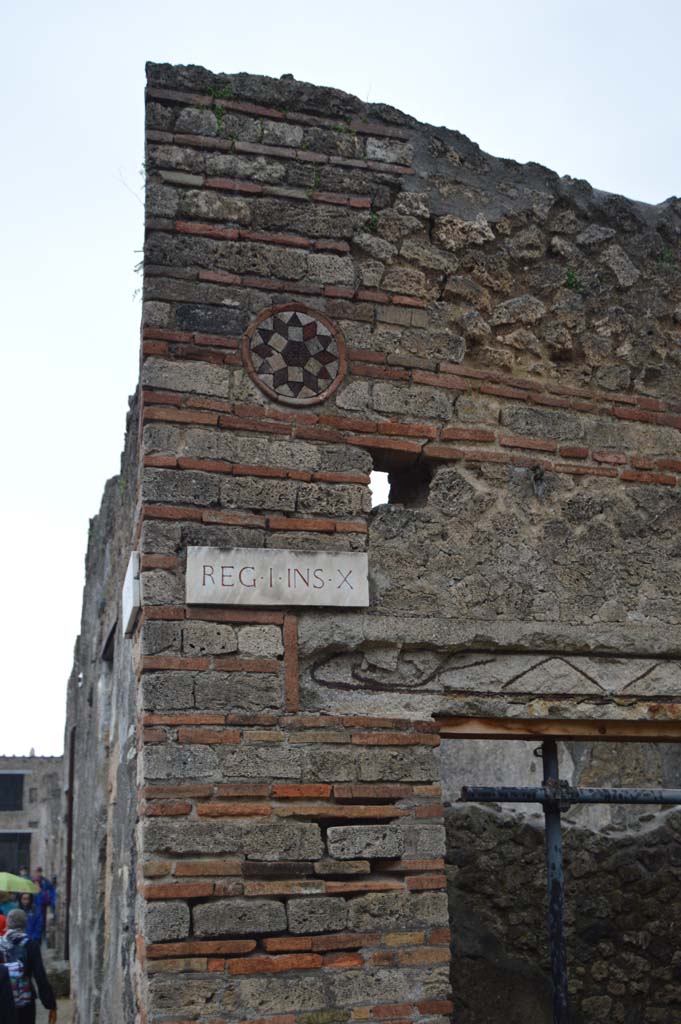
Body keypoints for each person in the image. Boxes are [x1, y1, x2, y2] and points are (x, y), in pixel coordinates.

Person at [0, 909, 56, 1023]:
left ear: (8, 923)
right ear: (25, 924)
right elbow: (40, 977)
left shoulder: (1, 942)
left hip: (3, 999)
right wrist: (50, 1004)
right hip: (25, 1000)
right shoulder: (30, 944)